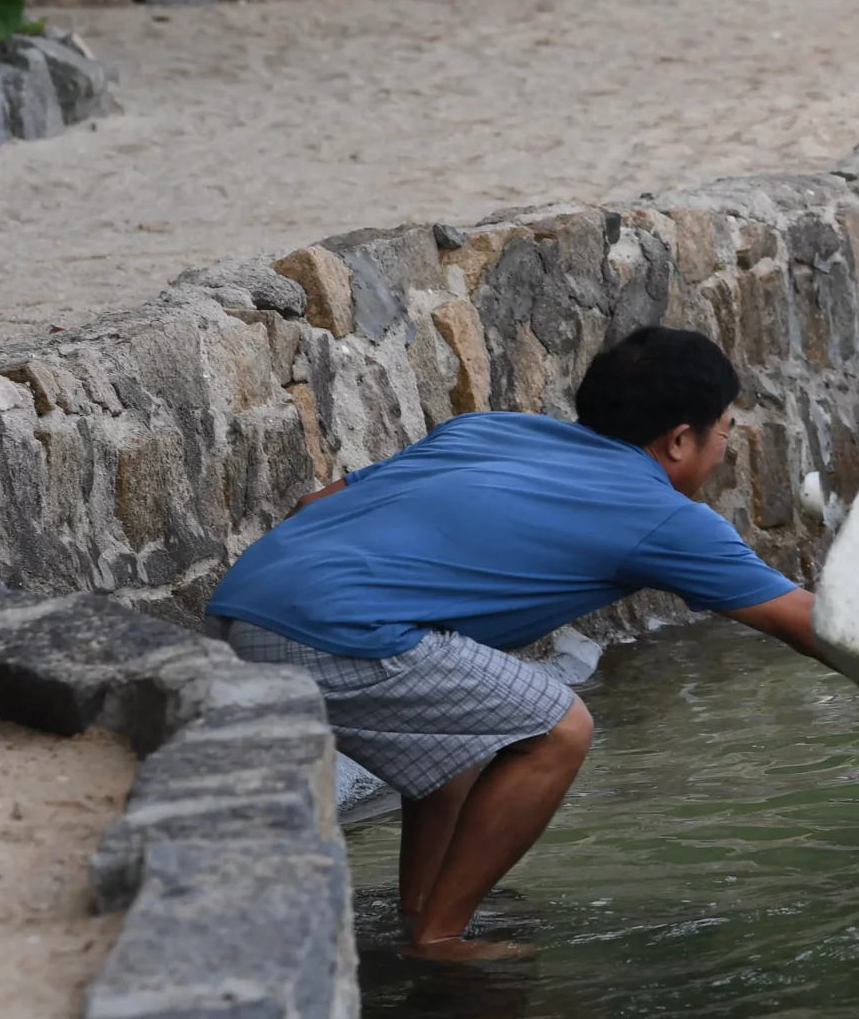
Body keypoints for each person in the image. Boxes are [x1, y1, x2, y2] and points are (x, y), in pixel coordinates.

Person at [206, 325, 818, 961]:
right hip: (331, 634)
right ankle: (438, 939)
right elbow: (804, 622)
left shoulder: (490, 429)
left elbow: (313, 504)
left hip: (238, 608)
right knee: (559, 726)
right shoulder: (662, 515)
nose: (723, 448)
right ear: (681, 439)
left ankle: (421, 907)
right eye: (723, 431)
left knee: (461, 737)